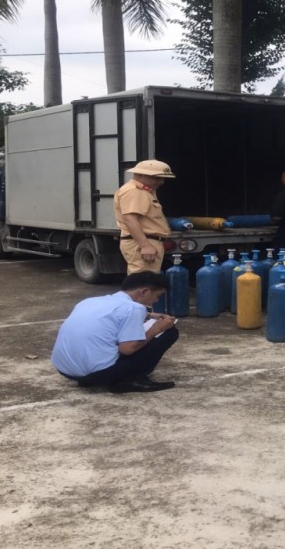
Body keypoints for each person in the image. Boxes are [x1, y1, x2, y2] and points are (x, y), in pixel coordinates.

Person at [51, 271, 179, 393]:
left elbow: (114, 317)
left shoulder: (90, 301)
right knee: (169, 332)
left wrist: (149, 315)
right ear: (144, 291)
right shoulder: (134, 308)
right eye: (157, 296)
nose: (156, 300)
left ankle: (90, 378)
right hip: (98, 374)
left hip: (66, 370)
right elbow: (128, 349)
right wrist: (157, 328)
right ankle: (131, 380)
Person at [114, 159, 175, 274]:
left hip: (146, 241)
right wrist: (145, 245)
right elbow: (130, 219)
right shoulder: (135, 191)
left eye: (163, 178)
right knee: (143, 284)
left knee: (146, 282)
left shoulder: (145, 191)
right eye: (156, 178)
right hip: (143, 241)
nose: (161, 181)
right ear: (140, 174)